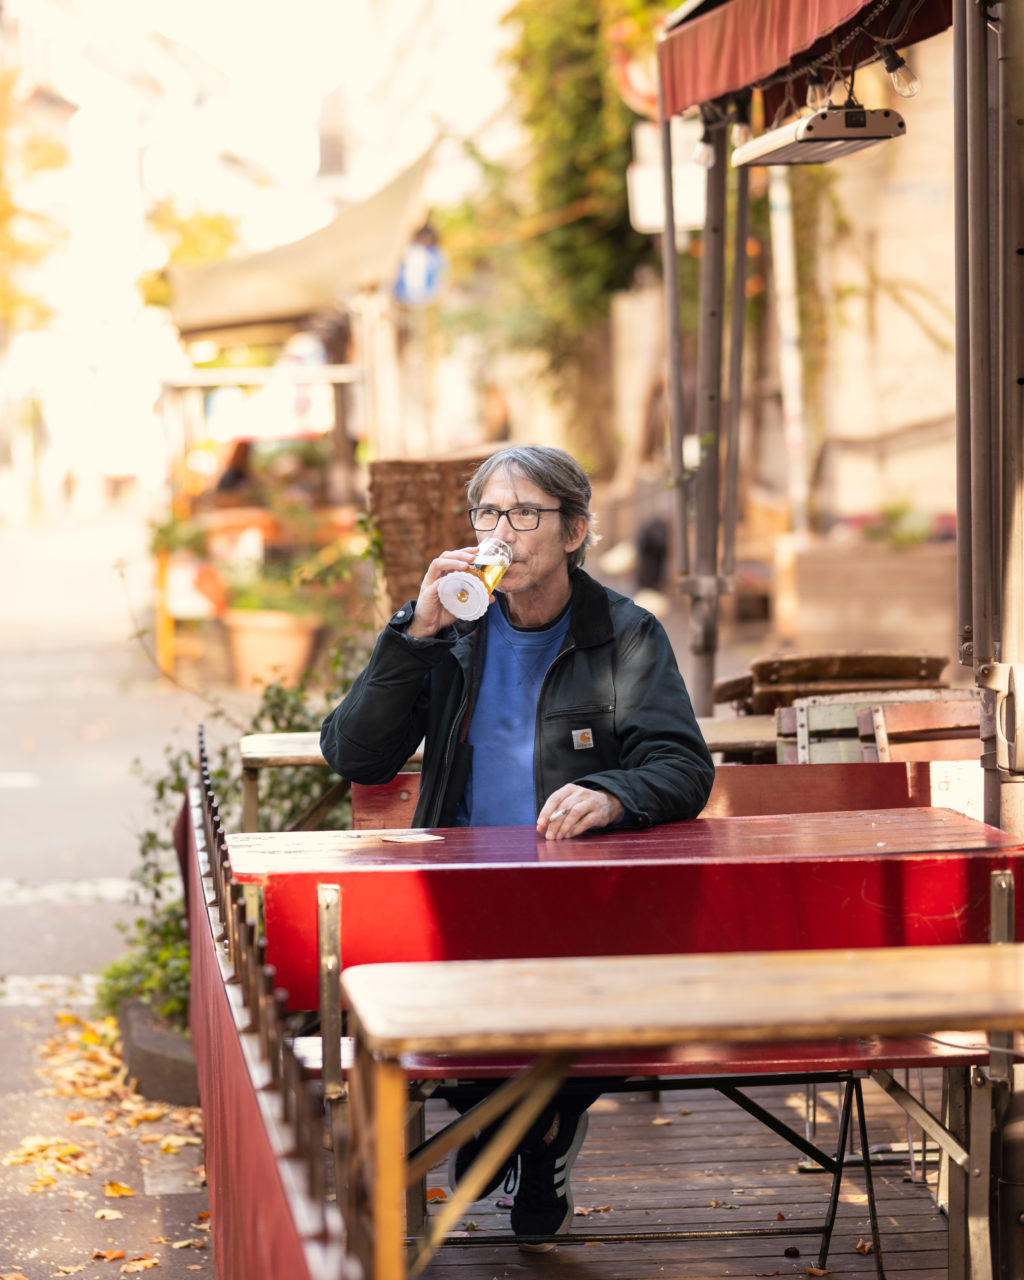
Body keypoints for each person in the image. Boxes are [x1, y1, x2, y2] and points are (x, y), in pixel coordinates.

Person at [320, 444, 714, 1246]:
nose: (503, 531)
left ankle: (539, 1135)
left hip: (576, 899)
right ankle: (516, 1132)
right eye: (489, 514)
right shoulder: (452, 635)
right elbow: (355, 755)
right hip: (460, 895)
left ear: (574, 531)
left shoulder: (624, 634)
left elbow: (683, 767)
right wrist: (414, 632)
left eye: (525, 514)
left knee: (572, 1027)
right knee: (451, 1036)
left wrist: (612, 792)